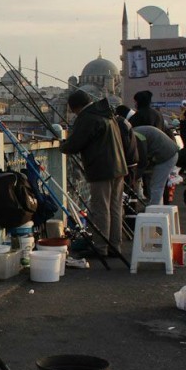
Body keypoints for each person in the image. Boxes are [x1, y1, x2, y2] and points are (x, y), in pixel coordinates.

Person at [60, 91, 127, 257]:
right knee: (115, 207)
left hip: (101, 169)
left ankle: (101, 248)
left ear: (75, 107)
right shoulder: (106, 113)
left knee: (101, 209)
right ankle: (114, 246)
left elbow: (74, 145)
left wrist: (63, 145)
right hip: (118, 167)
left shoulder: (88, 117)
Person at [132, 125, 180, 206]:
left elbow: (142, 161)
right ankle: (156, 208)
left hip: (167, 156)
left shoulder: (136, 136)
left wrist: (134, 177)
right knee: (155, 185)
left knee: (157, 186)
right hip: (167, 152)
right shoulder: (136, 132)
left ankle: (155, 211)